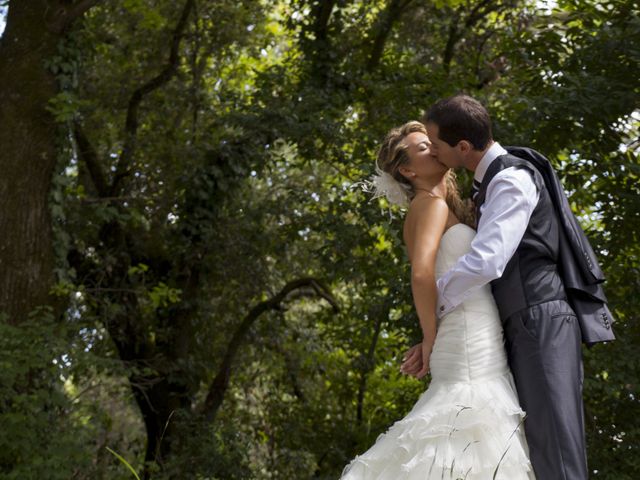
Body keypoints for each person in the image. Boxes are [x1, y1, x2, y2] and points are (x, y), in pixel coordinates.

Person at [401, 94, 614, 480]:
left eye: (435, 142)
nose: (431, 149)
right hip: (513, 324)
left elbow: (487, 260)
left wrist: (436, 305)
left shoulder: (511, 178)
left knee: (556, 448)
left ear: (462, 147)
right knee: (531, 448)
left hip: (540, 317)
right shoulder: (480, 188)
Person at [340, 121, 534, 479]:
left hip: (467, 328)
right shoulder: (430, 204)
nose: (433, 147)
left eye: (432, 142)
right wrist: (430, 337)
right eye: (422, 147)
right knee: (470, 430)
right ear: (408, 170)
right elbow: (422, 274)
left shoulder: (434, 206)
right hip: (466, 336)